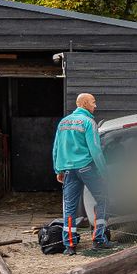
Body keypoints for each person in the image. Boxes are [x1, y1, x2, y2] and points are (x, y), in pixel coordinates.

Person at [52, 93, 115, 255]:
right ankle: (99, 239)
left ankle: (70, 245)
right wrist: (104, 172)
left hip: (68, 171)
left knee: (70, 207)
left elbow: (56, 148)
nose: (96, 106)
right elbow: (95, 150)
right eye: (94, 102)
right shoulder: (88, 122)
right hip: (86, 168)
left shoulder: (63, 122)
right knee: (103, 199)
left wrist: (58, 169)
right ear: (85, 103)